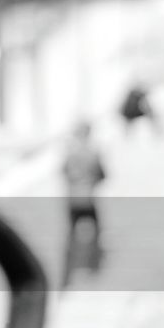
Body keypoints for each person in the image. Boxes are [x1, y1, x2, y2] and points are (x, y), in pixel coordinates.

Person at [60, 120, 106, 287]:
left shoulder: (70, 152)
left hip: (73, 199)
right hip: (88, 199)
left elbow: (63, 172)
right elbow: (103, 174)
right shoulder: (93, 152)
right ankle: (93, 265)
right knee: (96, 232)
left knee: (71, 234)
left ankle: (69, 269)